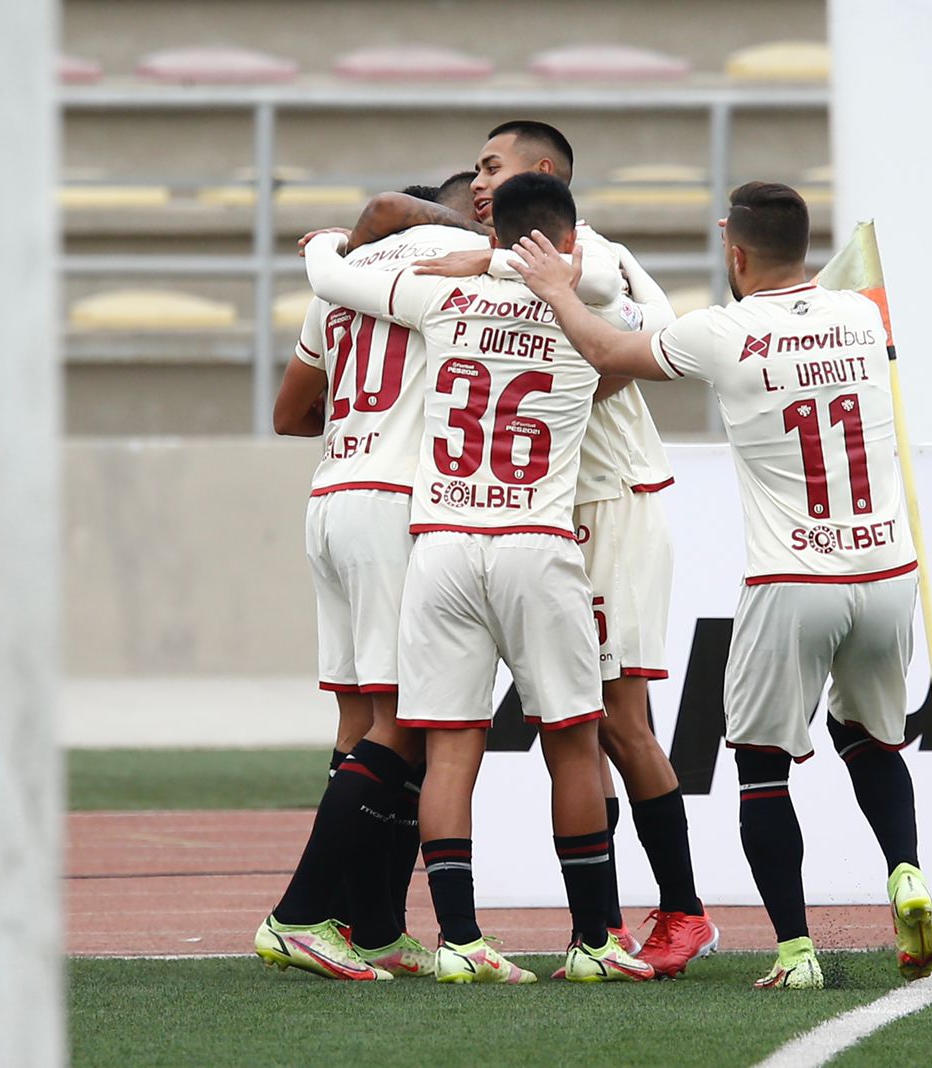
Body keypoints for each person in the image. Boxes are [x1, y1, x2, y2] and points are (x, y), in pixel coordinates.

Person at [508, 180, 932, 990]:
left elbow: (607, 354)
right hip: (886, 570)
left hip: (794, 577)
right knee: (871, 739)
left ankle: (796, 951)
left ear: (735, 253)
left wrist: (559, 290)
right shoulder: (863, 314)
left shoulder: (720, 331)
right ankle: (906, 871)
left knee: (763, 767)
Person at [362, 120, 717, 978]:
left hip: (607, 500)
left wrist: (487, 271)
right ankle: (604, 929)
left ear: (544, 173)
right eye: (476, 170)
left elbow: (643, 340)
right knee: (578, 728)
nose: (478, 183)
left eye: (493, 167)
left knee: (616, 721)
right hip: (537, 515)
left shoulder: (588, 255)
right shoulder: (507, 268)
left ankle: (682, 911)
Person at [300, 171, 655, 984]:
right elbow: (644, 317)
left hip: (444, 545)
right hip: (536, 544)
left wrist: (324, 246)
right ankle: (594, 942)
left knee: (452, 748)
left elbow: (334, 281)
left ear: (492, 234)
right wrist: (547, 273)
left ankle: (459, 940)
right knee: (573, 743)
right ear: (570, 239)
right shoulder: (592, 317)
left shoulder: (440, 296)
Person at [254, 175, 487, 981]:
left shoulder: (344, 280)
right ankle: (299, 916)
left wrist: (365, 421)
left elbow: (289, 414)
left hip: (333, 494)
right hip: (396, 502)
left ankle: (374, 927)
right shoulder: (459, 265)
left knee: (360, 723)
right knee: (404, 726)